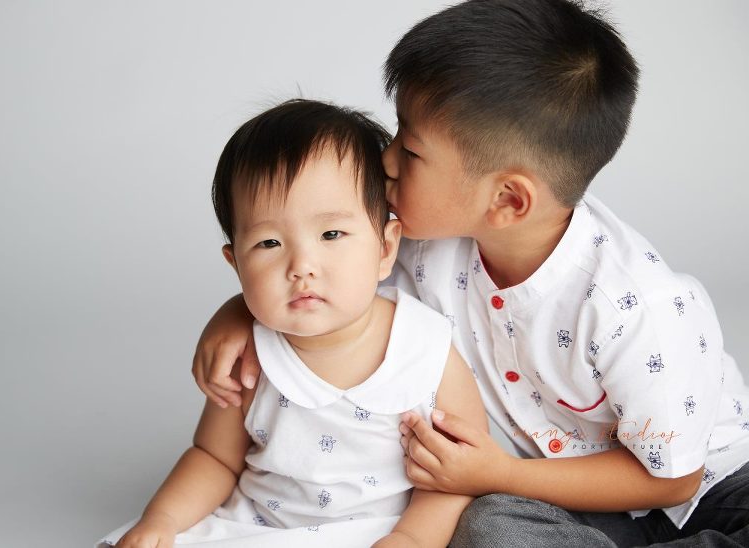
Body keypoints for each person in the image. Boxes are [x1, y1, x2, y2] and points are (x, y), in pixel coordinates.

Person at [191, 1, 749, 546]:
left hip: (711, 488)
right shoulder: (422, 238)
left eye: (409, 150)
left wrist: (498, 475)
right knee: (484, 528)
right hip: (557, 494)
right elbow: (321, 272)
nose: (384, 160)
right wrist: (238, 312)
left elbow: (675, 478)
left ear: (507, 199)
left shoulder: (636, 307)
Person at [97, 99, 487, 548]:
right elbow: (214, 459)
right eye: (268, 242)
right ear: (236, 263)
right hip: (259, 527)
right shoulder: (250, 356)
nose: (302, 265)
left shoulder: (426, 351)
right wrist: (160, 521)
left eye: (331, 235)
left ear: (384, 247)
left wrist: (412, 539)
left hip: (380, 534)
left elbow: (454, 478)